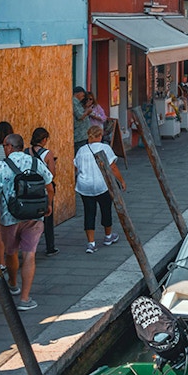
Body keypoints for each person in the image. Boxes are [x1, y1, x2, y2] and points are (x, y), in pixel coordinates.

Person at [0, 133, 52, 311]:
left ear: (9, 146)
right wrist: (48, 205)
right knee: (29, 254)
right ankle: (25, 299)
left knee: (11, 252)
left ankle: (13, 284)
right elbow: (49, 186)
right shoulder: (36, 163)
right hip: (34, 215)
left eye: (4, 146)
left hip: (10, 217)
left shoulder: (0, 166)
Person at [74, 125, 126, 254]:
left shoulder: (81, 150)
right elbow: (113, 167)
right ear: (100, 136)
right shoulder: (105, 148)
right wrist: (121, 181)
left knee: (89, 212)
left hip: (85, 185)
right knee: (105, 209)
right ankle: (108, 236)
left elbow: (76, 167)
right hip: (102, 184)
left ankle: (91, 243)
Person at [27, 128, 59, 257]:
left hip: (29, 189)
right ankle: (50, 247)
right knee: (47, 218)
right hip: (44, 189)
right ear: (44, 139)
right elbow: (52, 174)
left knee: (29, 219)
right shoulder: (47, 153)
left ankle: (29, 247)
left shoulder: (26, 152)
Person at [72, 86, 90, 153]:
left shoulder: (78, 103)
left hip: (83, 134)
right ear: (78, 93)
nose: (83, 97)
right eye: (82, 95)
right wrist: (87, 112)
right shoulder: (74, 102)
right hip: (79, 134)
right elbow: (80, 116)